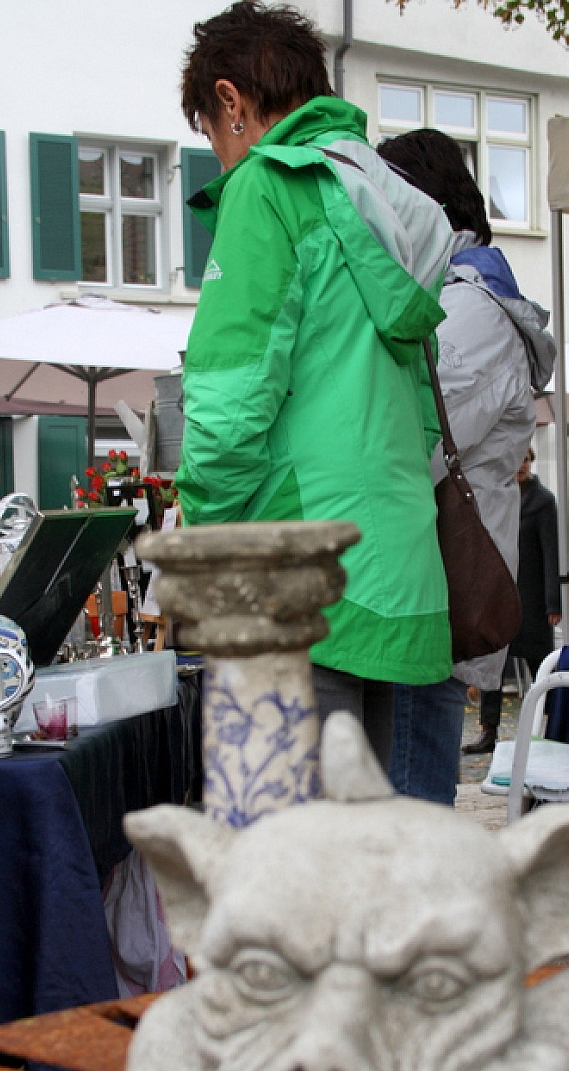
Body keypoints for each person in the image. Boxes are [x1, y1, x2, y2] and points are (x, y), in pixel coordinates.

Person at [176, 3, 455, 769]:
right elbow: (425, 418)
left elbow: (228, 406)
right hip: (390, 569)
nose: (218, 156)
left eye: (211, 132)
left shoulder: (268, 187)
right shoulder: (381, 202)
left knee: (289, 837)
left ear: (231, 101)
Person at [379, 129, 555, 802]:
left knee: (408, 822)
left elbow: (408, 447)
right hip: (417, 591)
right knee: (402, 813)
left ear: (423, 207)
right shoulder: (452, 296)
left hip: (430, 595)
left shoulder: (471, 310)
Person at [465, 447, 561, 755]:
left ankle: (554, 725)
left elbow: (551, 553)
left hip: (533, 599)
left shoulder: (543, 501)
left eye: (526, 460)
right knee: (492, 663)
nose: (520, 465)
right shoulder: (496, 496)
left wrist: (553, 603)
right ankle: (488, 730)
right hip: (500, 595)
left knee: (541, 666)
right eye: (517, 459)